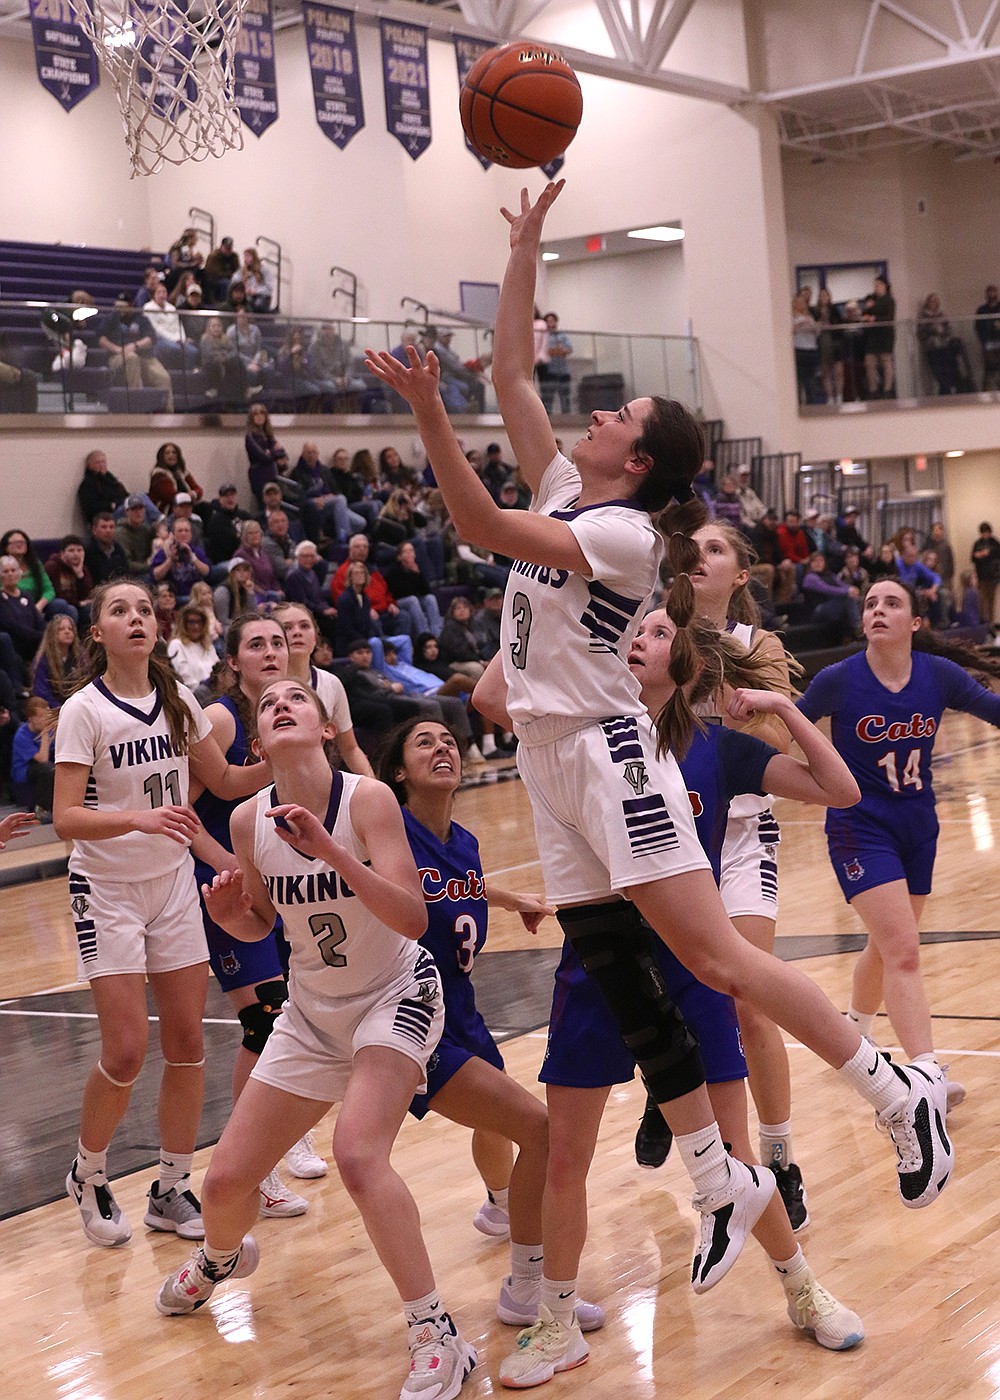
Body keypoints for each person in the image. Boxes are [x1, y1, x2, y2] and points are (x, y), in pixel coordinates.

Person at [366, 178, 952, 1384]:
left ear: (634, 458)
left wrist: (426, 414)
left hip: (604, 754)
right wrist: (522, 249)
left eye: (616, 410)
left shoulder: (627, 535)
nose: (591, 413)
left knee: (716, 961)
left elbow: (474, 521)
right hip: (545, 766)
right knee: (630, 968)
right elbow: (515, 378)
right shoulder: (574, 489)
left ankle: (888, 1087)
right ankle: (715, 1174)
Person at [539, 606, 863, 1352]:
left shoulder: (718, 749)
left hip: (692, 967)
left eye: (655, 634)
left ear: (686, 667)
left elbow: (840, 790)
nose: (635, 641)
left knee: (735, 1149)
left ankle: (804, 1288)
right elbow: (498, 693)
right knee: (567, 1151)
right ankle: (554, 1318)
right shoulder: (579, 742)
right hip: (599, 964)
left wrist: (782, 705)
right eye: (632, 631)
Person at [155, 677, 478, 1400]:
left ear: (326, 725)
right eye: (267, 706)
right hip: (312, 1011)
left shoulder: (368, 800)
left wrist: (332, 849)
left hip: (394, 994)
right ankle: (219, 1258)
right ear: (259, 742)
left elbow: (412, 918)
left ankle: (436, 1332)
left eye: (296, 696)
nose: (280, 704)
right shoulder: (247, 822)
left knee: (359, 1155)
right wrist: (232, 915)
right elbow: (264, 925)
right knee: (225, 1183)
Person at [53, 580, 273, 1250]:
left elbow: (228, 782)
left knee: (186, 1044)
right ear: (99, 633)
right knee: (124, 1049)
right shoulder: (84, 711)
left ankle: (171, 1187)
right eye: (119, 610)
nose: (135, 618)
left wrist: (283, 758)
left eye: (145, 609)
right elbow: (66, 818)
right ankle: (88, 1171)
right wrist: (140, 818)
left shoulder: (176, 701)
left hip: (173, 884)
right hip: (107, 889)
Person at [377, 716, 607, 1328]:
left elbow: (459, 888)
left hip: (463, 1009)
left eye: (449, 738)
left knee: (524, 1129)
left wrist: (511, 900)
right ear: (398, 771)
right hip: (411, 1016)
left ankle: (507, 1221)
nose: (443, 746)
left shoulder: (466, 842)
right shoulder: (386, 830)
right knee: (543, 1131)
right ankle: (526, 1282)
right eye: (423, 740)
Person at [635, 521, 811, 1232]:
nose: (699, 557)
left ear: (740, 575)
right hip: (667, 832)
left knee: (747, 995)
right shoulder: (649, 635)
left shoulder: (754, 647)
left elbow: (780, 737)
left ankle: (780, 1157)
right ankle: (667, 1082)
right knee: (672, 988)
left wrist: (740, 704)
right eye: (692, 547)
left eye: (716, 550)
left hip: (738, 831)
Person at [798, 578, 1000, 1099]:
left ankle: (855, 1038)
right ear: (863, 621)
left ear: (914, 623)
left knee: (887, 946)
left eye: (892, 603)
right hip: (859, 827)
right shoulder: (839, 679)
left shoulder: (938, 674)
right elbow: (788, 726)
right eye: (870, 604)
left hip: (919, 825)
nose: (878, 611)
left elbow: (991, 709)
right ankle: (926, 1076)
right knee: (904, 949)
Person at [190, 614, 321, 1209]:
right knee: (265, 1019)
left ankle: (283, 1137)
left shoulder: (296, 708)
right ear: (233, 659)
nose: (271, 651)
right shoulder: (219, 718)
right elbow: (182, 812)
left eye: (277, 641)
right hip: (224, 878)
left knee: (287, 1014)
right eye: (256, 644)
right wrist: (233, 872)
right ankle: (254, 1168)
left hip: (275, 878)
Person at [274, 601, 373, 776]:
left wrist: (374, 785)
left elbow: (350, 748)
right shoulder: (263, 685)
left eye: (304, 626)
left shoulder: (331, 683)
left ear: (315, 637)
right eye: (287, 627)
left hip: (320, 780)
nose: (297, 632)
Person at [96, 293, 174, 412]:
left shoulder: (141, 319)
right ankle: (135, 409)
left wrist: (135, 345)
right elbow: (101, 339)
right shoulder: (111, 318)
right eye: (117, 306)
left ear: (131, 305)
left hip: (145, 356)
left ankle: (167, 413)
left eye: (123, 306)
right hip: (118, 356)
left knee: (163, 377)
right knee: (132, 358)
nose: (119, 309)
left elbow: (150, 338)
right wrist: (118, 350)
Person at [12, 695, 57, 815]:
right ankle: (42, 810)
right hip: (27, 770)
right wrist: (45, 734)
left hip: (47, 765)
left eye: (47, 715)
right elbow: (42, 759)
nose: (46, 720)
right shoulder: (22, 735)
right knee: (47, 769)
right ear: (31, 718)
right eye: (42, 716)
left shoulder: (52, 729)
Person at [150, 518, 211, 603]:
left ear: (191, 534)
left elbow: (206, 572)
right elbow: (156, 575)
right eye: (180, 531)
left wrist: (192, 557)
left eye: (186, 531)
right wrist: (170, 560)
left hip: (194, 596)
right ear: (173, 535)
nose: (183, 533)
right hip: (174, 598)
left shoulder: (197, 551)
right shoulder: (164, 552)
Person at [32, 614, 83, 708]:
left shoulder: (80, 657)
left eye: (70, 629)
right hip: (54, 710)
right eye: (61, 629)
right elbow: (41, 692)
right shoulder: (43, 660)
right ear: (52, 634)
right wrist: (61, 709)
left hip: (78, 707)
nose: (67, 632)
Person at [166, 604, 217, 695]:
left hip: (214, 692)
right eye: (191, 622)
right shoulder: (177, 645)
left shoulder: (208, 646)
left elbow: (218, 670)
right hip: (193, 694)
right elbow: (185, 678)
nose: (196, 626)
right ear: (184, 624)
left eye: (199, 622)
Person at [862, 277, 896, 398]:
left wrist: (875, 319)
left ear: (885, 286)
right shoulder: (872, 299)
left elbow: (889, 317)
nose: (877, 287)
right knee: (870, 362)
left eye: (879, 285)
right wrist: (868, 308)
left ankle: (887, 389)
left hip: (885, 335)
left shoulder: (889, 300)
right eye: (875, 285)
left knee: (886, 362)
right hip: (872, 336)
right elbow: (864, 313)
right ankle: (873, 390)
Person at [150, 442, 204, 514]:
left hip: (185, 504)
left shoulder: (182, 472)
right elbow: (171, 496)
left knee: (204, 507)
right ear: (161, 456)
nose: (171, 455)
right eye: (167, 453)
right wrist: (188, 496)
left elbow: (199, 490)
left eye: (174, 452)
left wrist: (193, 494)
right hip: (167, 508)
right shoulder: (158, 475)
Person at [85, 512, 131, 586]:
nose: (108, 530)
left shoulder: (118, 549)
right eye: (104, 527)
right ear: (94, 530)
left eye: (111, 527)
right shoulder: (87, 551)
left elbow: (127, 574)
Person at [540, 312, 573, 413]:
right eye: (548, 321)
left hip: (563, 372)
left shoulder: (563, 335)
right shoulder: (544, 336)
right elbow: (546, 351)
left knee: (565, 397)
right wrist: (556, 351)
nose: (551, 323)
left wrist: (559, 350)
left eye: (552, 321)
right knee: (548, 398)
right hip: (550, 372)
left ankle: (567, 418)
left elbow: (569, 349)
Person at [971, 521, 1000, 626]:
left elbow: (998, 553)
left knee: (991, 600)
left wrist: (988, 553)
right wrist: (978, 555)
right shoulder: (977, 543)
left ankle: (992, 623)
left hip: (994, 576)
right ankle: (983, 622)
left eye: (987, 532)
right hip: (981, 575)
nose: (985, 535)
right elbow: (972, 558)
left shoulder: (995, 542)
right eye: (983, 532)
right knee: (982, 600)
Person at [974, 284, 1000, 391]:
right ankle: (988, 393)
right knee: (989, 369)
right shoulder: (981, 309)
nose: (992, 294)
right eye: (990, 292)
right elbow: (977, 326)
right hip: (988, 343)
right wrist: (983, 340)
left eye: (994, 292)